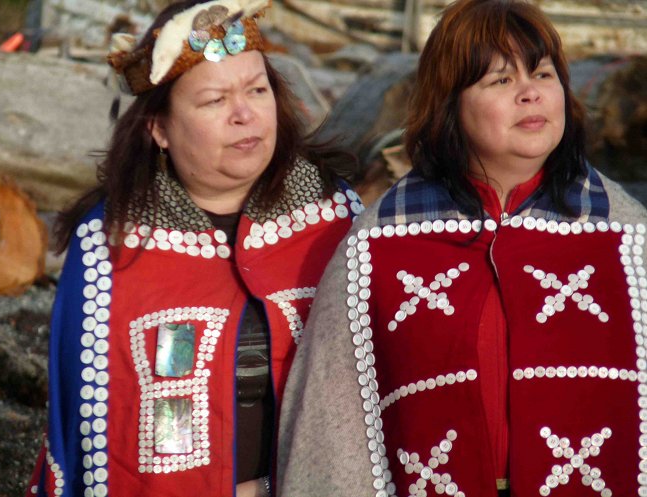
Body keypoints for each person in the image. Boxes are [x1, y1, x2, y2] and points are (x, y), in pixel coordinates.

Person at [277, 0, 647, 496]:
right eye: (500, 81)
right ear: (449, 103)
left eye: (542, 74)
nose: (530, 94)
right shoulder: (378, 246)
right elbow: (331, 429)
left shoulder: (624, 236)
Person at [25, 1, 362, 496]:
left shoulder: (332, 220)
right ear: (158, 128)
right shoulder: (111, 251)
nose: (245, 114)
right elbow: (91, 433)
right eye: (214, 101)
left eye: (257, 90)